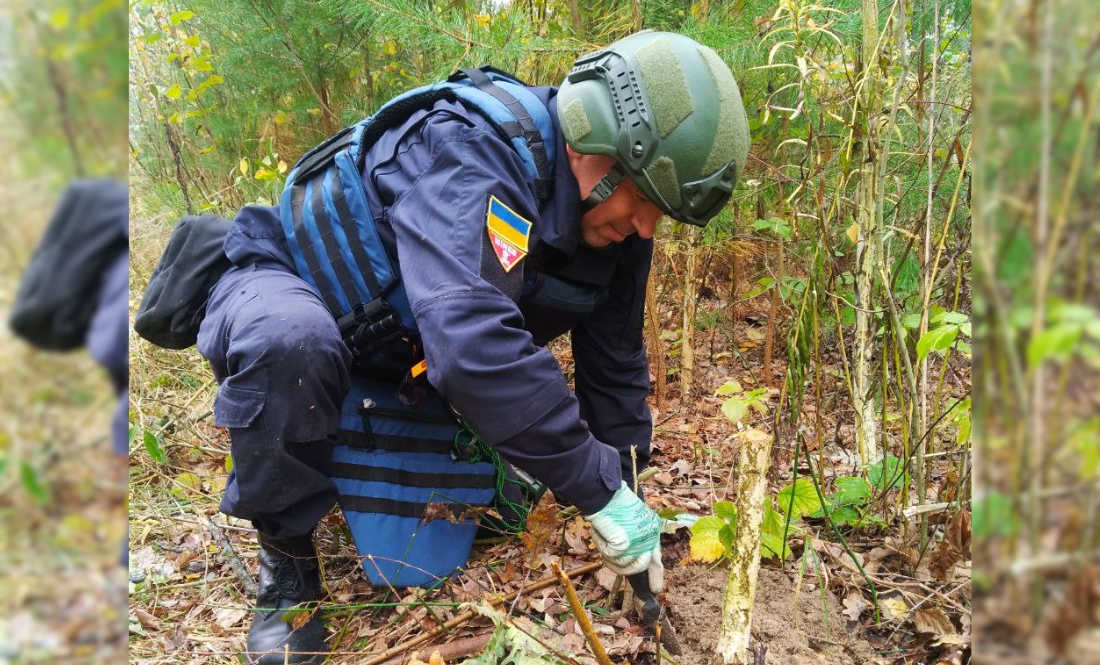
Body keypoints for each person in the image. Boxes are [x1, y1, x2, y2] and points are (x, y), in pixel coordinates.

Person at [196, 30, 748, 663]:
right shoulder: (474, 151)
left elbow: (616, 365)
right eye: (643, 198)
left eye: (662, 213)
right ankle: (286, 566)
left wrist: (626, 494)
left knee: (420, 561)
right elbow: (470, 339)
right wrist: (591, 485)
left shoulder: (618, 233)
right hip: (289, 292)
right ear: (593, 143)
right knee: (291, 344)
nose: (647, 226)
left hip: (402, 363)